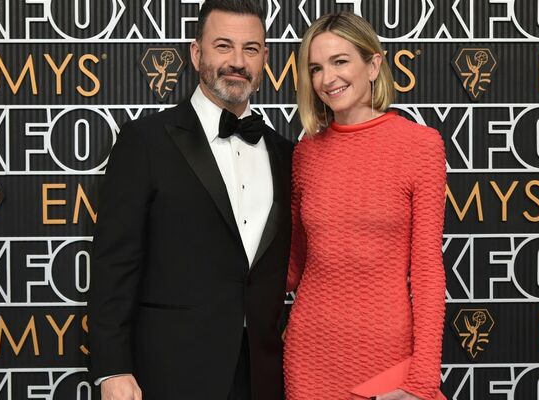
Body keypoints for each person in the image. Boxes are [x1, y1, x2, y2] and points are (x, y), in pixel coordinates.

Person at [87, 1, 293, 399]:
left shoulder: (286, 153)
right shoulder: (145, 141)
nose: (237, 61)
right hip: (169, 373)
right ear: (196, 52)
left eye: (250, 48)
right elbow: (114, 262)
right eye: (223, 46)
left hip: (263, 376)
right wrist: (112, 369)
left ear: (265, 58)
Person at [283, 11, 447, 400]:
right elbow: (292, 266)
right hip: (310, 353)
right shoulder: (306, 152)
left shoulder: (421, 145)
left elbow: (427, 270)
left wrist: (422, 379)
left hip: (387, 354)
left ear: (373, 64)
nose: (327, 79)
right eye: (316, 68)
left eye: (341, 61)